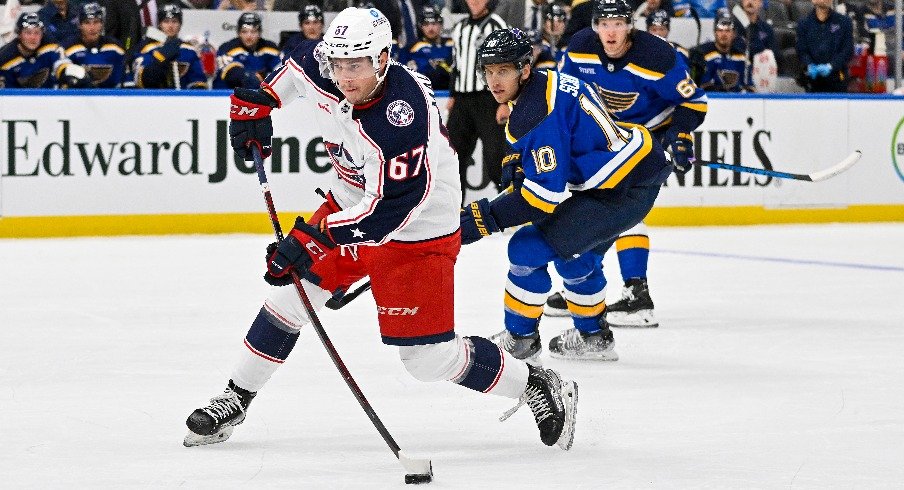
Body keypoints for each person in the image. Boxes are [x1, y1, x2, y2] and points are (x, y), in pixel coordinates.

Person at [184, 7, 579, 453]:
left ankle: (534, 384)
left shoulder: (402, 115)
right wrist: (263, 100)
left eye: (357, 66)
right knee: (289, 297)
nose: (346, 77)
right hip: (350, 207)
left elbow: (388, 212)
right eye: (339, 65)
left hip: (417, 231)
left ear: (384, 58)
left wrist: (314, 239)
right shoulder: (327, 63)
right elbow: (294, 72)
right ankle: (235, 397)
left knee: (427, 359)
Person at [461, 27, 672, 363]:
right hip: (635, 173)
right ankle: (595, 338)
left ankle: (520, 338)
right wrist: (520, 162)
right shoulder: (546, 81)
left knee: (526, 249)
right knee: (575, 256)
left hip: (619, 189)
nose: (494, 81)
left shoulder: (534, 113)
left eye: (503, 71)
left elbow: (542, 199)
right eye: (488, 72)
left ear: (524, 69)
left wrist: (480, 220)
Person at [544, 0, 706, 330]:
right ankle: (586, 281)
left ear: (630, 26)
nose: (610, 31)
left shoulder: (656, 56)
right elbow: (564, 97)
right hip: (608, 137)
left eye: (618, 23)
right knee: (603, 207)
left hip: (648, 136)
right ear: (594, 27)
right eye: (604, 24)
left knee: (625, 206)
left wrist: (679, 135)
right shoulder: (580, 48)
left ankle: (637, 293)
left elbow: (694, 102)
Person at [449, 0, 510, 198]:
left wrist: (504, 102)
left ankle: (512, 204)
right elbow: (456, 64)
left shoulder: (497, 25)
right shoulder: (459, 28)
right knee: (452, 157)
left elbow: (507, 65)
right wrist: (453, 95)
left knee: (496, 157)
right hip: (462, 101)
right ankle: (454, 209)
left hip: (489, 100)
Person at [0, 12, 90, 89]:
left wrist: (68, 74)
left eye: (37, 32)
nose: (33, 37)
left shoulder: (50, 46)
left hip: (50, 101)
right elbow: (6, 96)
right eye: (28, 33)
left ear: (42, 34)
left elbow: (62, 64)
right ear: (19, 34)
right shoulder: (5, 59)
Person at [133, 3, 207, 89]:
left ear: (180, 24)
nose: (170, 26)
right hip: (154, 98)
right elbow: (145, 80)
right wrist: (161, 57)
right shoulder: (147, 48)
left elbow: (198, 82)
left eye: (174, 21)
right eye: (166, 21)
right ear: (159, 24)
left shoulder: (189, 50)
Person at [61, 2, 127, 88]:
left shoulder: (116, 48)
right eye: (87, 23)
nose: (92, 28)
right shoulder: (67, 48)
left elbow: (125, 80)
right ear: (79, 25)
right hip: (78, 99)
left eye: (96, 22)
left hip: (111, 98)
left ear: (102, 24)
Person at [690, 8, 754, 92]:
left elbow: (750, 88)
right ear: (715, 32)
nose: (724, 34)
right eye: (720, 30)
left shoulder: (741, 57)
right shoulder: (704, 55)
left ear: (734, 34)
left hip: (737, 102)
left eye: (727, 30)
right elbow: (703, 87)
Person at [796, 0, 853, 92]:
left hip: (837, 80)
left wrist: (831, 66)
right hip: (812, 81)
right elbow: (801, 50)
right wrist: (809, 64)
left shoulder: (844, 22)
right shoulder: (804, 23)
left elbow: (847, 50)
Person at [213, 12, 281, 89]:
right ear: (238, 33)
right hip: (226, 95)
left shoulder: (270, 48)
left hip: (259, 94)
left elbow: (281, 72)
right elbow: (234, 75)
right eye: (244, 32)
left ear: (260, 33)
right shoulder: (227, 48)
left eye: (253, 31)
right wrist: (257, 78)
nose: (249, 36)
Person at [397, 5, 454, 89]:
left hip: (451, 93)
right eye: (426, 24)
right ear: (421, 26)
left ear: (441, 24)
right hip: (421, 93)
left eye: (434, 23)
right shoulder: (410, 48)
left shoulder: (452, 44)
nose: (430, 28)